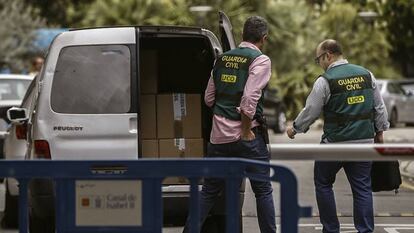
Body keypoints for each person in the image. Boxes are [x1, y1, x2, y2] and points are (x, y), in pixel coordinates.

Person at [183, 16, 276, 233]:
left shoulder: (221, 60)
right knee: (262, 190)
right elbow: (249, 99)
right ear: (264, 38)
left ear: (243, 35)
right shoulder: (260, 60)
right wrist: (244, 130)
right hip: (248, 137)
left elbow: (208, 98)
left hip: (219, 139)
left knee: (209, 191)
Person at [286, 39, 389, 233]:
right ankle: (365, 230)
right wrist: (380, 133)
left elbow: (311, 110)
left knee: (323, 182)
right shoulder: (367, 75)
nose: (320, 64)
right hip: (364, 143)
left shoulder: (325, 80)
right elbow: (379, 108)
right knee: (362, 189)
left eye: (319, 59)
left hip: (335, 144)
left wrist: (295, 128)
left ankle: (331, 229)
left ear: (328, 55)